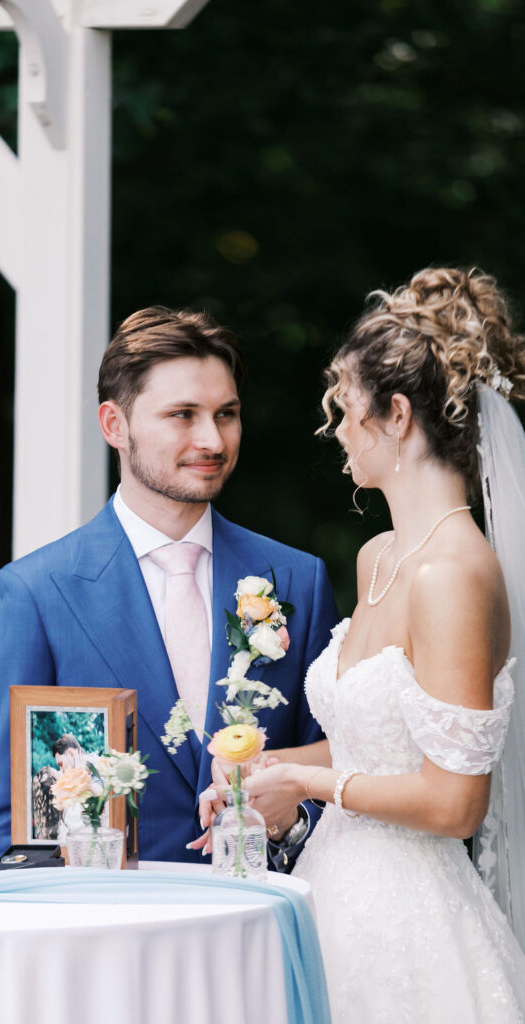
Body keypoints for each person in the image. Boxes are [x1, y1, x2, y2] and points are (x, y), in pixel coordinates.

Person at [202, 268, 525, 1021]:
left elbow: (453, 802)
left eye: (345, 410)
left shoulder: (452, 573)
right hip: (330, 892)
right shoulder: (380, 556)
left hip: (411, 928)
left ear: (397, 415)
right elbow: (375, 747)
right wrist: (266, 765)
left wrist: (307, 788)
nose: (337, 430)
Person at [0, 306, 339, 862]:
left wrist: (289, 824)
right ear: (115, 425)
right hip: (106, 934)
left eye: (226, 414)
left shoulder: (297, 581)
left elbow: (340, 772)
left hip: (260, 921)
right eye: (182, 415)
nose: (212, 439)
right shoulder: (32, 596)